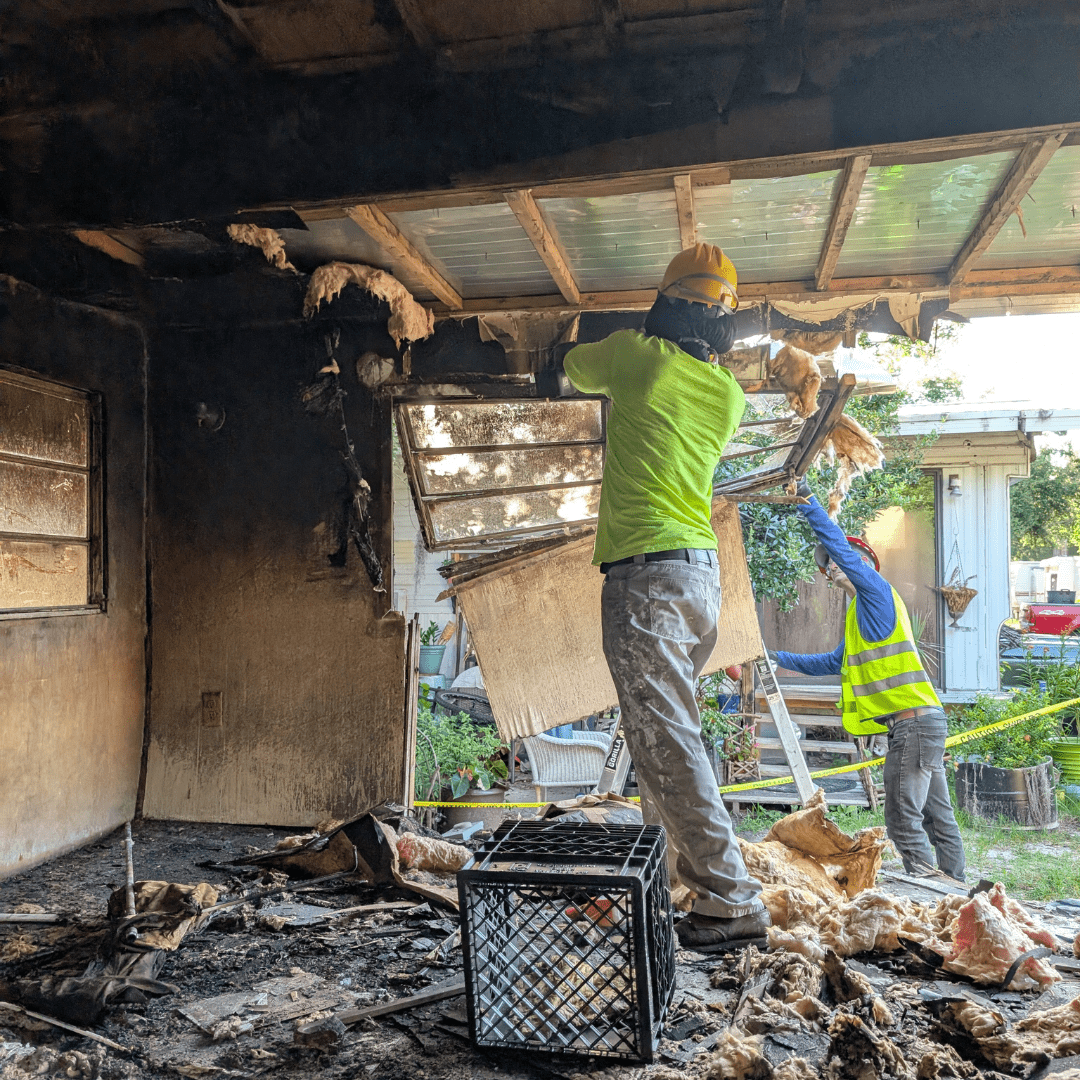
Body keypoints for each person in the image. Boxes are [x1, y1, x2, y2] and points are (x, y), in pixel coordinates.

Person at [562, 243, 771, 947]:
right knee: (662, 738)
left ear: (666, 303)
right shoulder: (730, 395)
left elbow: (569, 366)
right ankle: (678, 890)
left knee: (668, 740)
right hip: (699, 578)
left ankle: (731, 898)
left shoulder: (636, 358)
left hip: (646, 577)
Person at [772, 481, 966, 881]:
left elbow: (839, 546)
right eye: (828, 565)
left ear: (863, 565)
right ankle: (956, 890)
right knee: (937, 816)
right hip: (922, 723)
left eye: (840, 560)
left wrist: (808, 501)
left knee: (902, 819)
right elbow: (833, 662)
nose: (832, 566)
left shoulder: (876, 592)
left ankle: (928, 888)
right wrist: (776, 658)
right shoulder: (860, 616)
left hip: (913, 724)